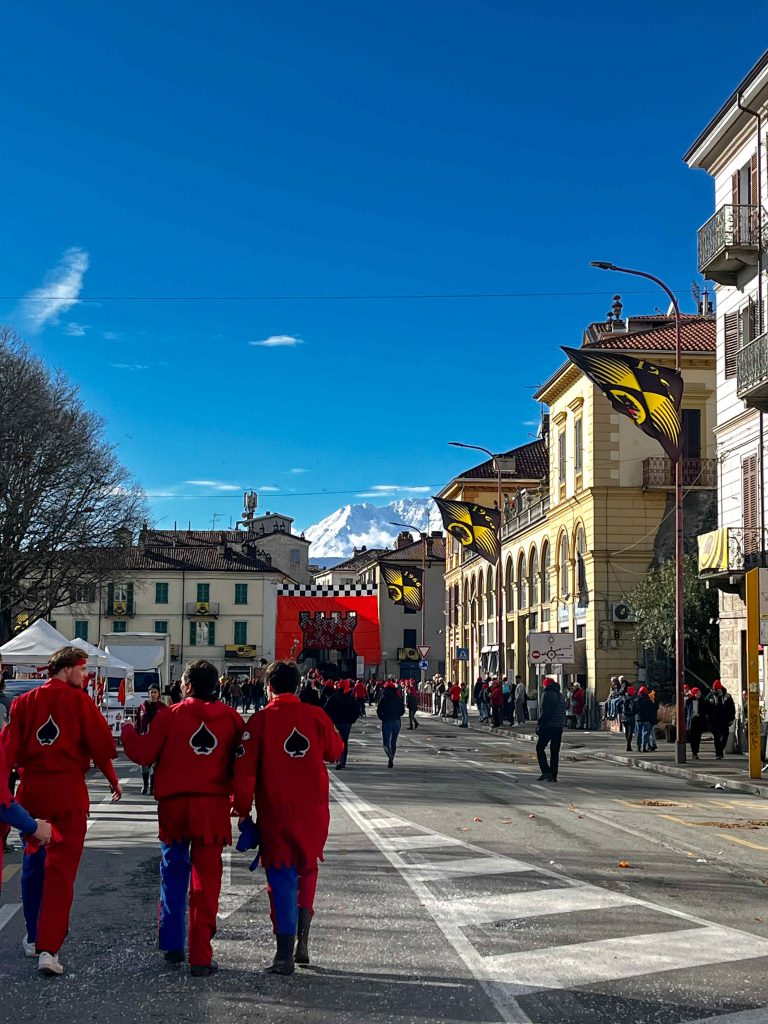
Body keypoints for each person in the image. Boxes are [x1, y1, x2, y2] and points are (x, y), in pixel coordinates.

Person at [2, 646, 121, 976]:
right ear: (67, 669)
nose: (85, 676)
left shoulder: (22, 702)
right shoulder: (80, 701)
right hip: (68, 793)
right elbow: (102, 746)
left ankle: (32, 934)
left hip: (32, 793)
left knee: (33, 864)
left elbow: (7, 751)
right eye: (82, 670)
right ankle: (48, 948)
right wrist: (113, 779)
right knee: (61, 873)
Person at [121, 659, 243, 977]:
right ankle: (201, 955)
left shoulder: (169, 715)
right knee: (207, 882)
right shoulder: (231, 718)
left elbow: (144, 753)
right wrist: (243, 805)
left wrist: (127, 730)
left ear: (186, 685)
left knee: (173, 875)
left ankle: (173, 942)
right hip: (212, 808)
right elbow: (242, 763)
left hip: (174, 807)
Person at [233, 661, 344, 975]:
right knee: (307, 869)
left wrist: (241, 810)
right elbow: (335, 751)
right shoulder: (316, 716)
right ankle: (303, 940)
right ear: (297, 687)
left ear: (268, 687)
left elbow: (244, 774)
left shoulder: (260, 721)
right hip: (314, 812)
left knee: (281, 878)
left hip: (277, 812)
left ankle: (283, 953)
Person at [135, 683, 169, 794]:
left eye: (155, 692)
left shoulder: (162, 707)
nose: (152, 694)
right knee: (144, 763)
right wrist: (137, 734)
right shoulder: (143, 706)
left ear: (159, 693)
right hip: (145, 737)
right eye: (151, 692)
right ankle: (145, 785)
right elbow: (138, 722)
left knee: (155, 763)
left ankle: (152, 787)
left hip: (157, 739)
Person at [323, 680, 359, 770]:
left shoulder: (333, 697)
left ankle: (338, 759)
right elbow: (356, 711)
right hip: (347, 723)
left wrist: (330, 720)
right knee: (345, 741)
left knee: (337, 741)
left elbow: (325, 710)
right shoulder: (350, 699)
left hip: (336, 723)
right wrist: (352, 720)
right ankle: (342, 761)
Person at [536, 677, 566, 783]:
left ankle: (546, 771)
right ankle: (553, 775)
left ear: (546, 685)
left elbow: (546, 711)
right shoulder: (560, 695)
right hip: (559, 726)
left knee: (540, 748)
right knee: (554, 751)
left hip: (548, 726)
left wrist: (540, 723)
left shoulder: (547, 694)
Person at [377, 680, 405, 768]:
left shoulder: (383, 697)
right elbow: (402, 710)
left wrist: (382, 718)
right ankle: (391, 759)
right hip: (396, 721)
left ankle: (390, 756)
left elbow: (379, 710)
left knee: (386, 743)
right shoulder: (398, 697)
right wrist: (397, 715)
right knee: (393, 741)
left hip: (386, 721)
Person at [708, 680, 736, 760]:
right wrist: (710, 702)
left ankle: (720, 750)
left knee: (725, 736)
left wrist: (731, 719)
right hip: (714, 721)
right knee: (716, 738)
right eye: (714, 689)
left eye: (716, 689)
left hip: (724, 720)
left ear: (720, 689)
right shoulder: (711, 696)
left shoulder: (727, 696)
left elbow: (732, 708)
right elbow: (705, 706)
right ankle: (718, 753)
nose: (715, 691)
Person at [686, 687, 706, 760]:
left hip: (699, 721)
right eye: (697, 692)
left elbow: (704, 711)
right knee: (692, 738)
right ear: (694, 693)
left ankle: (696, 751)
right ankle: (694, 753)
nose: (699, 694)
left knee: (698, 738)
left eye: (699, 692)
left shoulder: (702, 701)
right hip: (692, 722)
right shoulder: (689, 701)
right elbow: (686, 711)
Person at [634, 686, 656, 753]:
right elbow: (653, 710)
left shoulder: (637, 700)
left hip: (639, 718)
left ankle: (638, 746)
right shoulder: (649, 701)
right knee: (645, 734)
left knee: (639, 733)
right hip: (647, 719)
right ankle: (644, 747)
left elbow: (634, 709)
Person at [619, 685, 637, 752]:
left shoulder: (624, 698)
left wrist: (620, 712)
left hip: (624, 716)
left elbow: (618, 705)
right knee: (630, 731)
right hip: (631, 716)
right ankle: (628, 744)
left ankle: (628, 743)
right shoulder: (634, 698)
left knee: (627, 731)